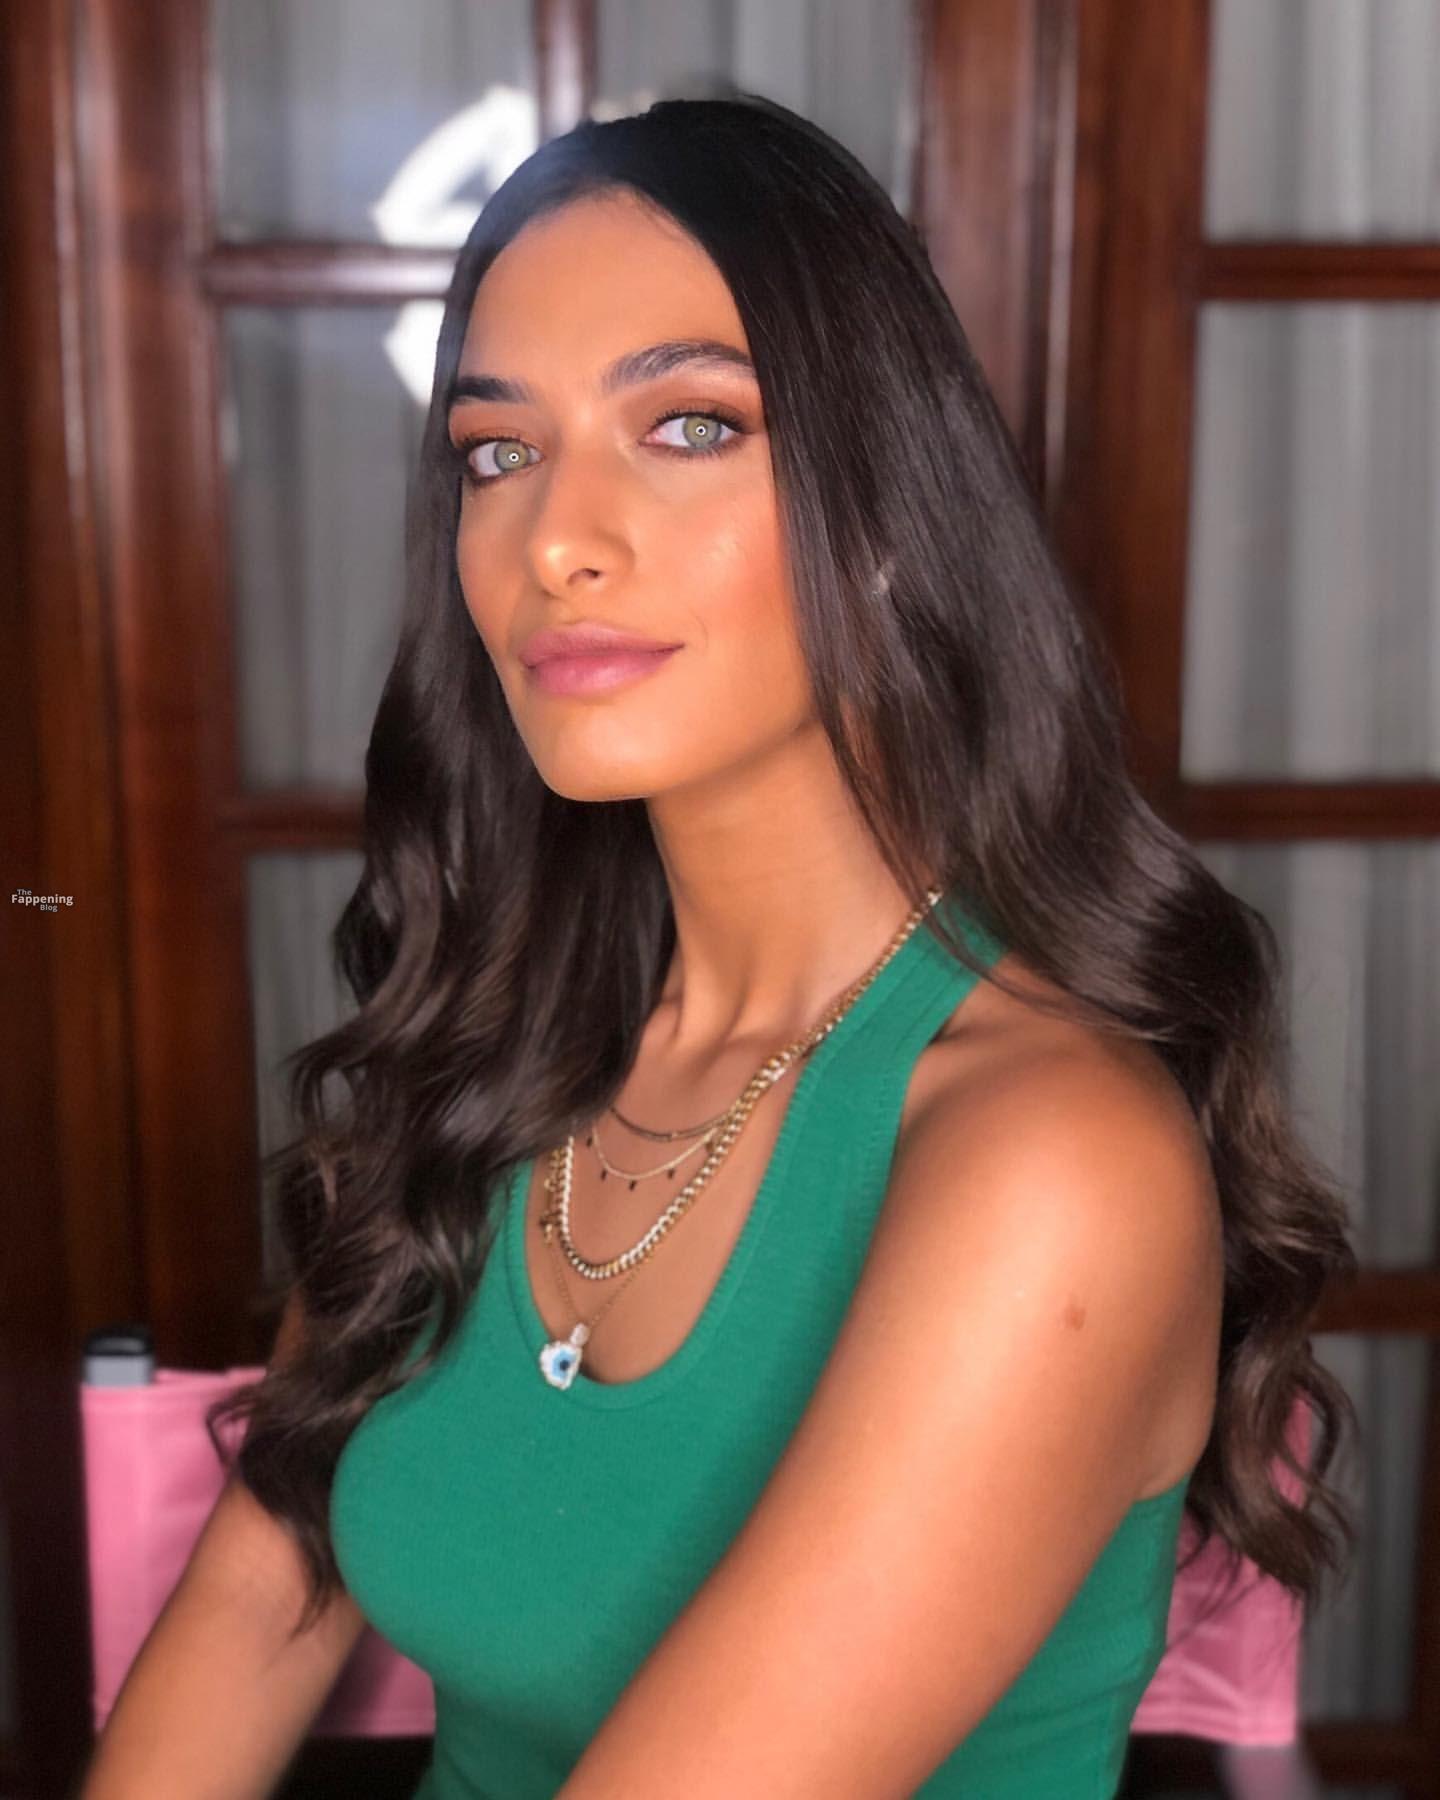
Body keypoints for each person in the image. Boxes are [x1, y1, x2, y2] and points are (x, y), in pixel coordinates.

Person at [82, 92, 1357, 1800]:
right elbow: (259, 1598)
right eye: (497, 451)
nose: (554, 540)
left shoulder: (1052, 1161)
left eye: (688, 426)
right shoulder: (496, 1050)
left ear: (887, 518)